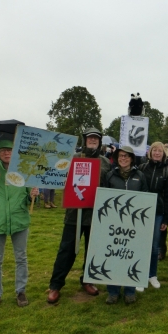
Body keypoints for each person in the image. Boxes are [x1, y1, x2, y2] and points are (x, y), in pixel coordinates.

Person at [47, 128, 111, 304]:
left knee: (93, 250)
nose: (92, 141)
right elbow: (58, 177)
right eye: (90, 138)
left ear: (99, 142)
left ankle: (87, 279)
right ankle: (55, 285)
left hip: (96, 214)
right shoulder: (73, 159)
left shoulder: (105, 162)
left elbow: (110, 185)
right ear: (85, 140)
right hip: (74, 213)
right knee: (66, 250)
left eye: (96, 139)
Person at [0, 140, 39, 313]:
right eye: (2, 150)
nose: (6, 153)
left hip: (19, 221)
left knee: (21, 258)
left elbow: (28, 199)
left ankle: (21, 292)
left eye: (9, 150)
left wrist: (33, 195)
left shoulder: (23, 171)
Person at [104, 146, 148, 304]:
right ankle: (113, 291)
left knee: (132, 255)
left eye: (126, 156)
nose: (123, 158)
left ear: (131, 158)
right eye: (120, 156)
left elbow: (145, 197)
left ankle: (130, 290)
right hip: (114, 225)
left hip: (134, 224)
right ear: (117, 158)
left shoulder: (140, 176)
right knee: (113, 256)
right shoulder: (110, 175)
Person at [137, 142, 168, 291]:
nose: (157, 153)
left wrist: (166, 218)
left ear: (163, 154)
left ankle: (152, 275)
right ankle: (139, 274)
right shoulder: (142, 168)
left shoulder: (166, 172)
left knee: (153, 246)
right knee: (140, 245)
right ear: (150, 153)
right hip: (140, 212)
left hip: (158, 212)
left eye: (160, 151)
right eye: (154, 150)